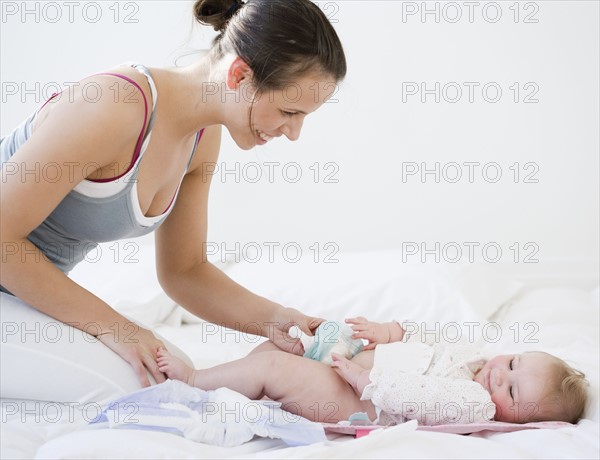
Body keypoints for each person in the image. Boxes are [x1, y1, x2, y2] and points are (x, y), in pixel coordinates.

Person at [0, 0, 345, 399]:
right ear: (238, 75)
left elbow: (185, 270)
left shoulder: (202, 138)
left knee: (170, 371)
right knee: (139, 385)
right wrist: (119, 328)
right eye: (289, 110)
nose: (294, 133)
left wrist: (275, 320)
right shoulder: (114, 104)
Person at [156, 317, 589, 425]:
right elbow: (429, 332)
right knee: (273, 349)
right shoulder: (474, 357)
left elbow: (420, 399)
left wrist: (365, 380)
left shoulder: (474, 402)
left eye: (512, 392)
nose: (499, 376)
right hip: (346, 370)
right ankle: (225, 390)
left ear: (513, 416)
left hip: (356, 398)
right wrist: (391, 329)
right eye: (512, 364)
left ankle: (192, 382)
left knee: (273, 365)